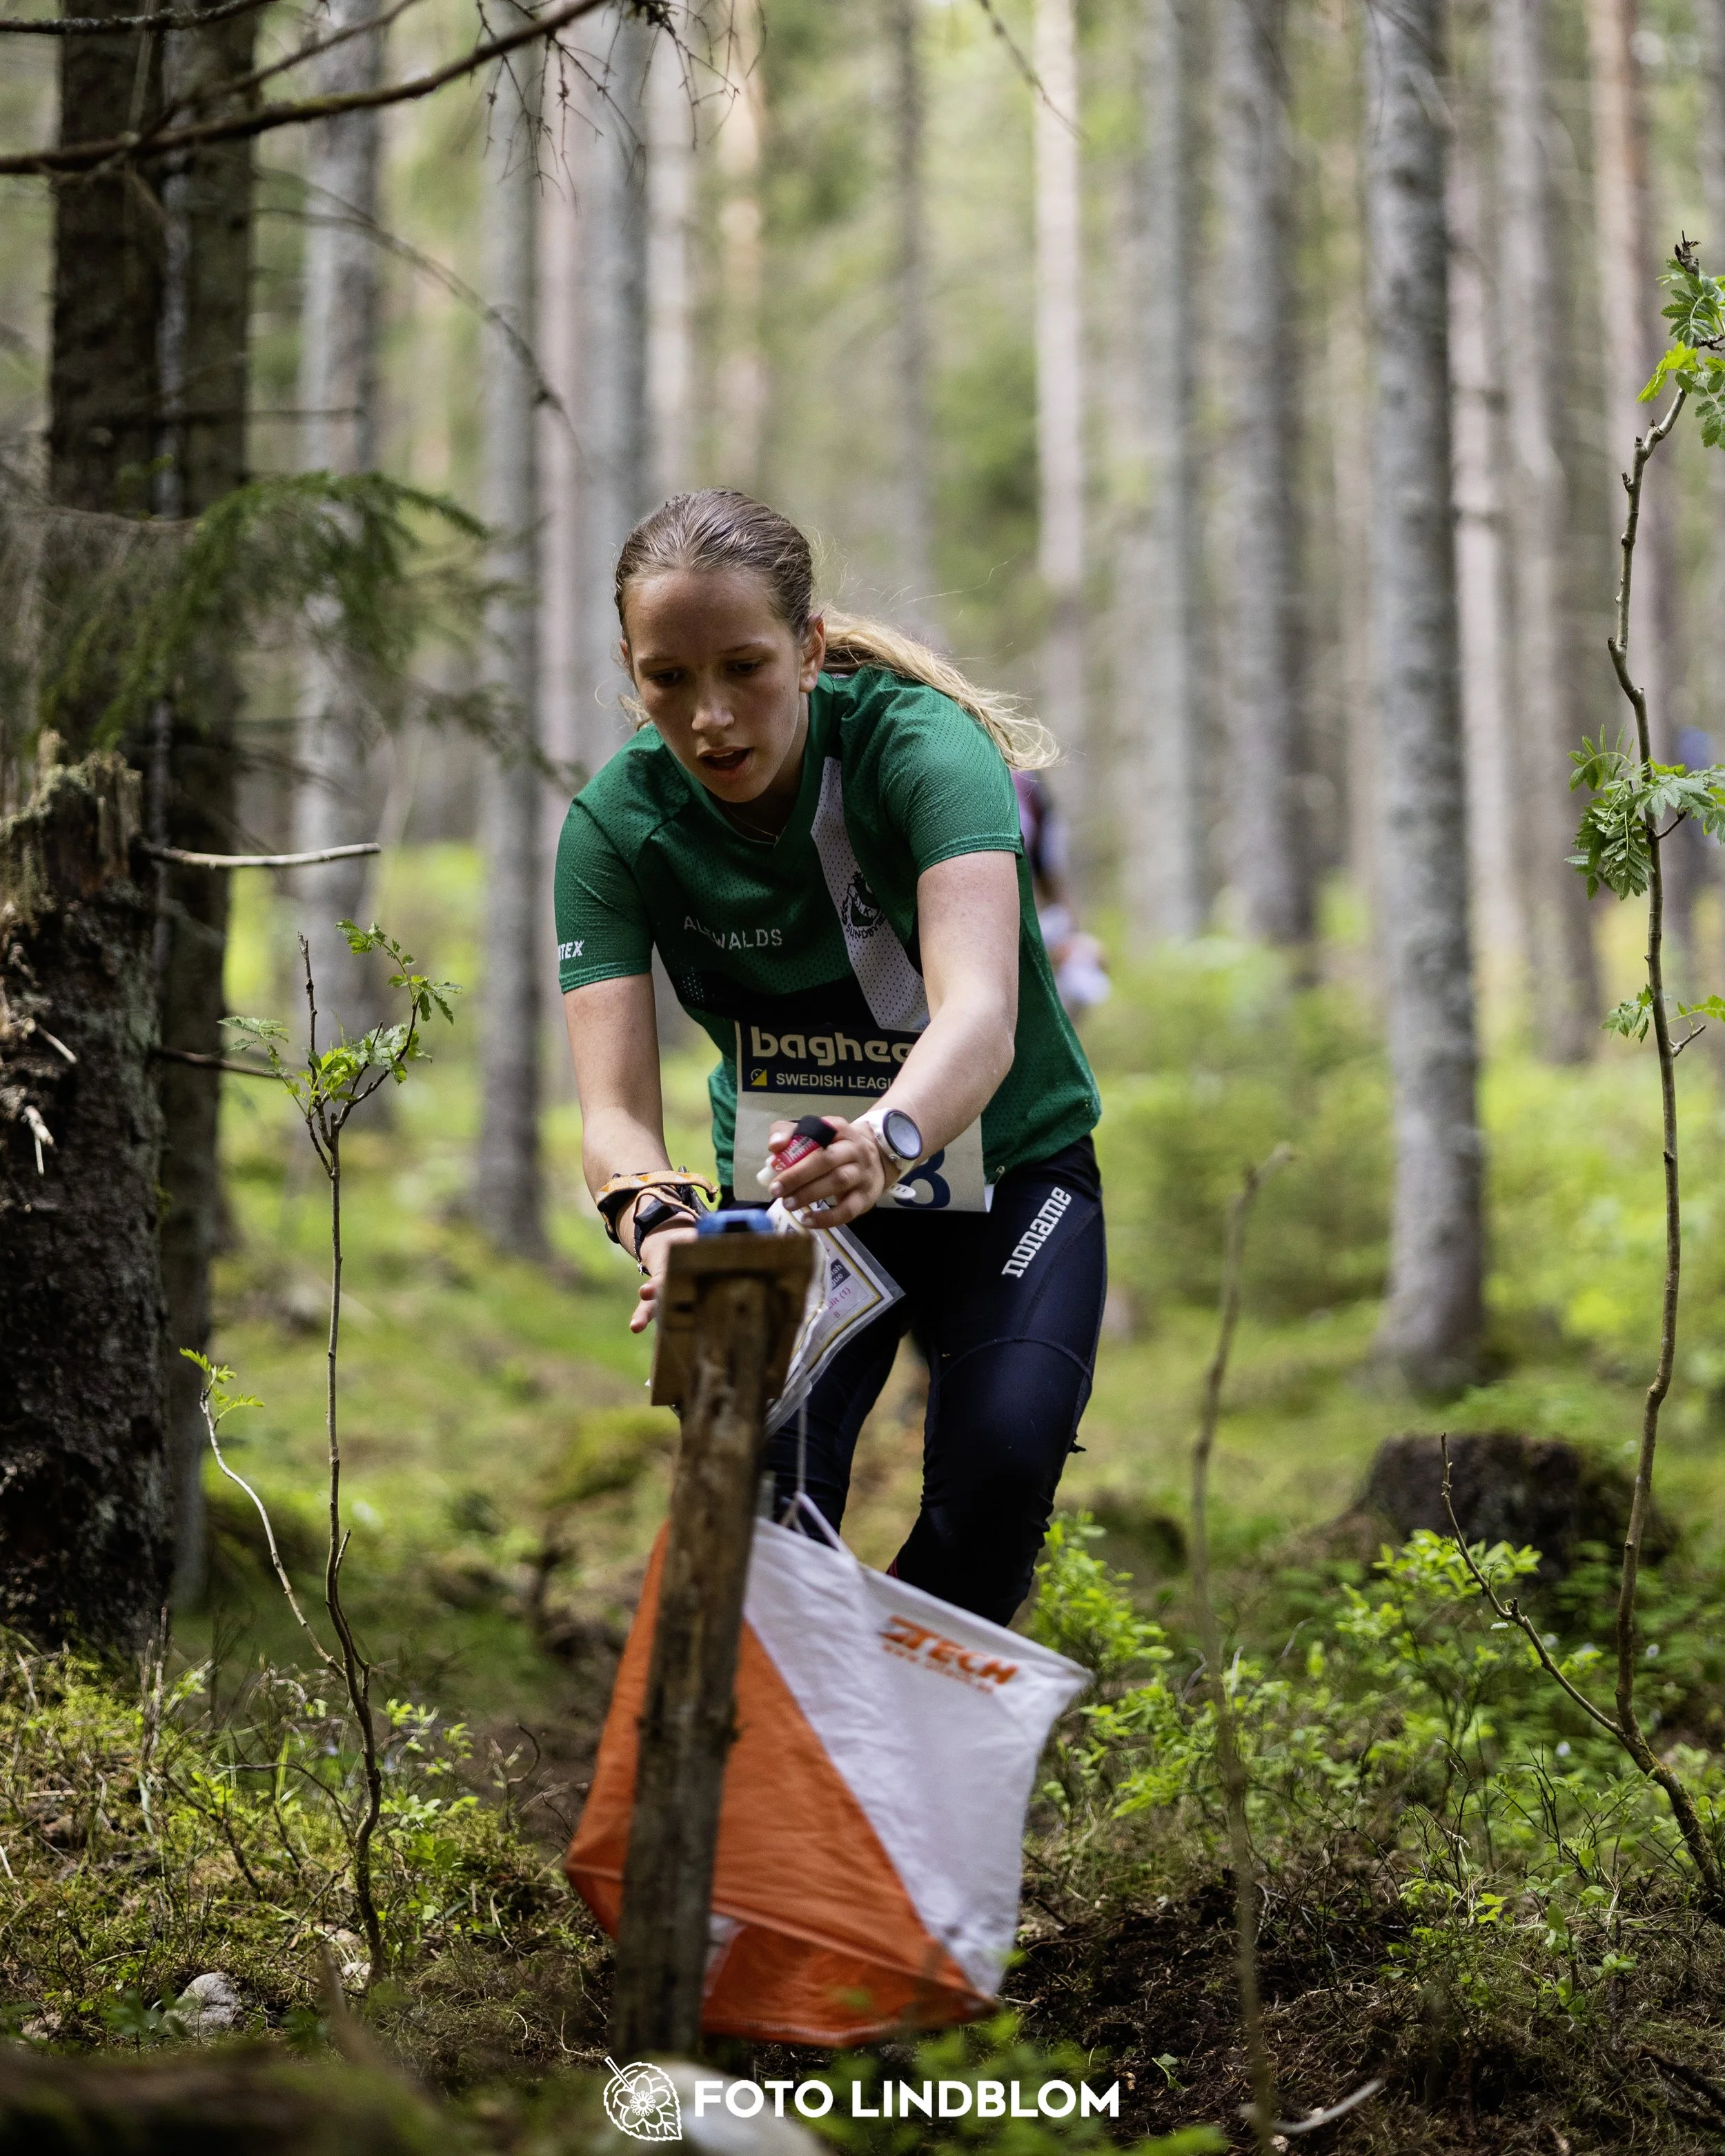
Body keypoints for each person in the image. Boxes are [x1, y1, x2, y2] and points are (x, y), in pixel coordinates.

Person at [555, 490, 1105, 1626]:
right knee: (744, 1507)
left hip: (1004, 1169)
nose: (710, 718)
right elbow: (610, 1115)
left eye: (744, 668)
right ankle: (759, 1783)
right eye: (668, 679)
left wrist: (888, 1140)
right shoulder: (614, 824)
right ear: (631, 669)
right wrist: (656, 1221)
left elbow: (979, 1016)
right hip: (789, 1195)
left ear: (808, 650)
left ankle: (897, 1766)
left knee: (998, 1475)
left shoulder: (920, 747)